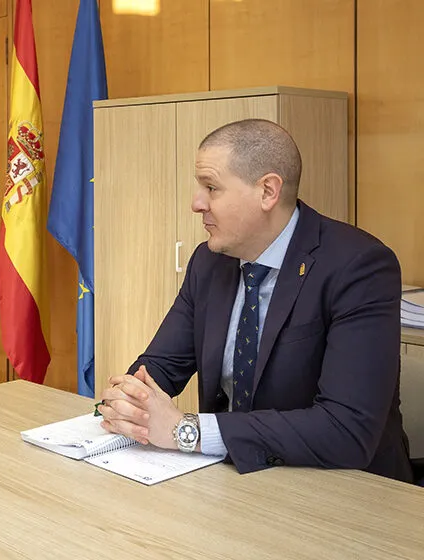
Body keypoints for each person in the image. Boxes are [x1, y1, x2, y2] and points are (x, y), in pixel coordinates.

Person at [97, 118, 413, 483]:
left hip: (347, 492)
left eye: (211, 187)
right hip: (238, 481)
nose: (196, 203)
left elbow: (346, 429)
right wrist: (129, 400)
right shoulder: (209, 262)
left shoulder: (358, 266)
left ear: (268, 191)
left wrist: (188, 430)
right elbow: (158, 368)